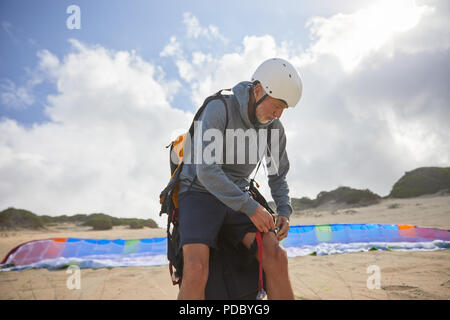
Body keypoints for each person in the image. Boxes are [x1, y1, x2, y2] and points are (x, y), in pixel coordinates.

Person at [176, 58, 303, 299]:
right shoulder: (219, 108)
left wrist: (284, 210)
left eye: (284, 110)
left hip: (238, 193)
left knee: (276, 256)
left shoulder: (274, 128)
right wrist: (251, 208)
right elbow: (207, 171)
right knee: (195, 269)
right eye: (276, 106)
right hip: (198, 190)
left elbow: (277, 176)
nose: (278, 115)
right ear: (258, 91)